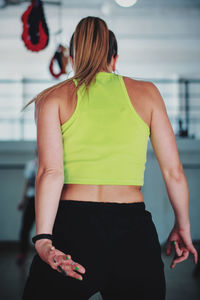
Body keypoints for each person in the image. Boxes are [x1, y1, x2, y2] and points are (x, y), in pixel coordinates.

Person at [21, 16, 198, 300]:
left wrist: (44, 240)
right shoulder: (148, 93)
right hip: (132, 231)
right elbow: (174, 172)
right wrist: (183, 226)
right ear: (114, 59)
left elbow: (50, 172)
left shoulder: (52, 98)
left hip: (71, 227)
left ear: (73, 58)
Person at [16, 148, 38, 265]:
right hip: (30, 200)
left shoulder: (47, 163)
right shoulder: (30, 165)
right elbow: (26, 184)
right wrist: (22, 200)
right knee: (25, 228)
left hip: (42, 200)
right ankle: (22, 253)